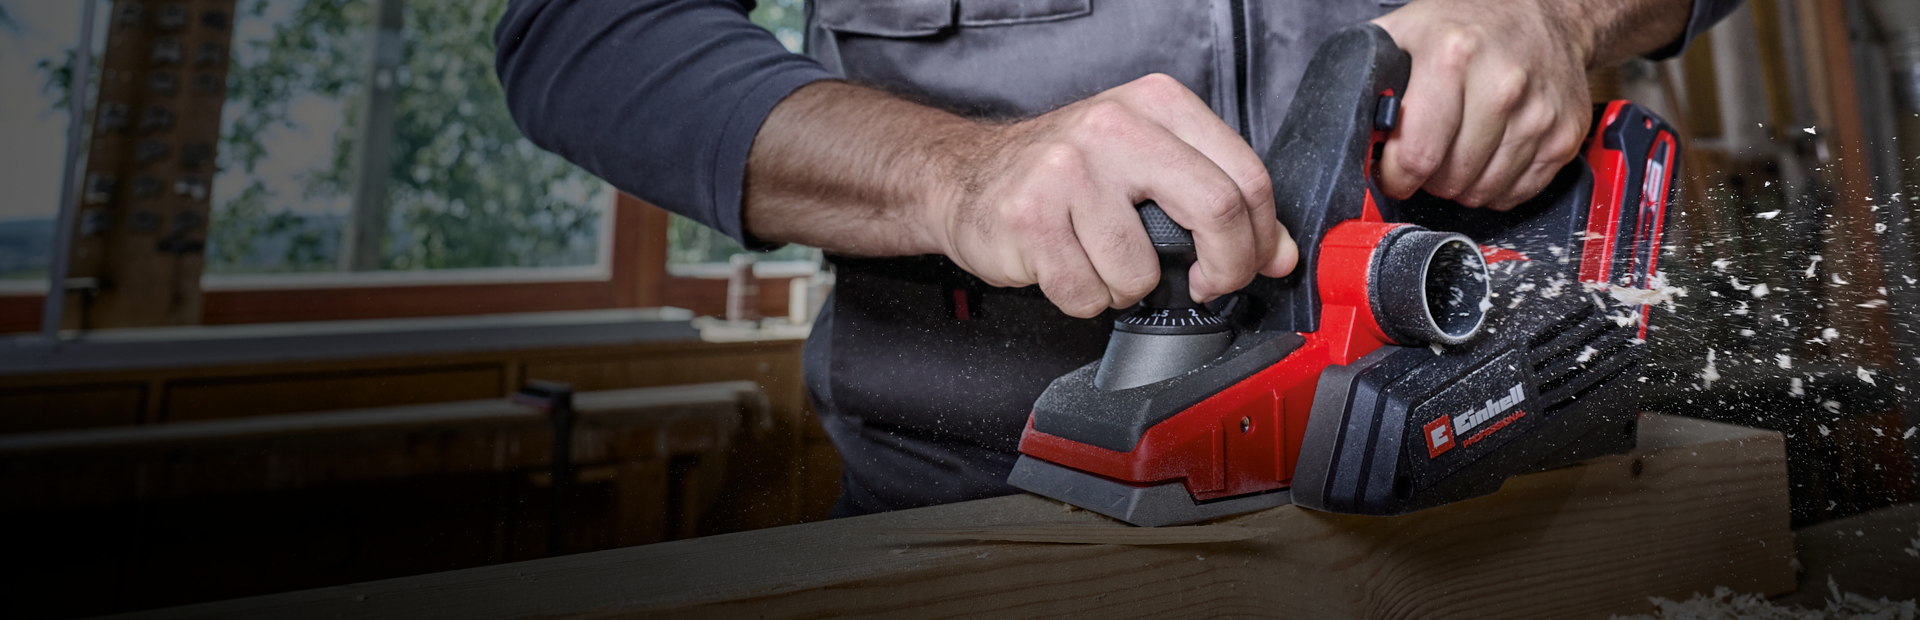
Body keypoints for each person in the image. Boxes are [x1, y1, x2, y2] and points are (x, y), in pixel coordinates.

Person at [495, 0, 1740, 517]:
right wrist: (954, 172)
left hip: (1509, 470)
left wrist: (1564, 12)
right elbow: (586, 33)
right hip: (984, 501)